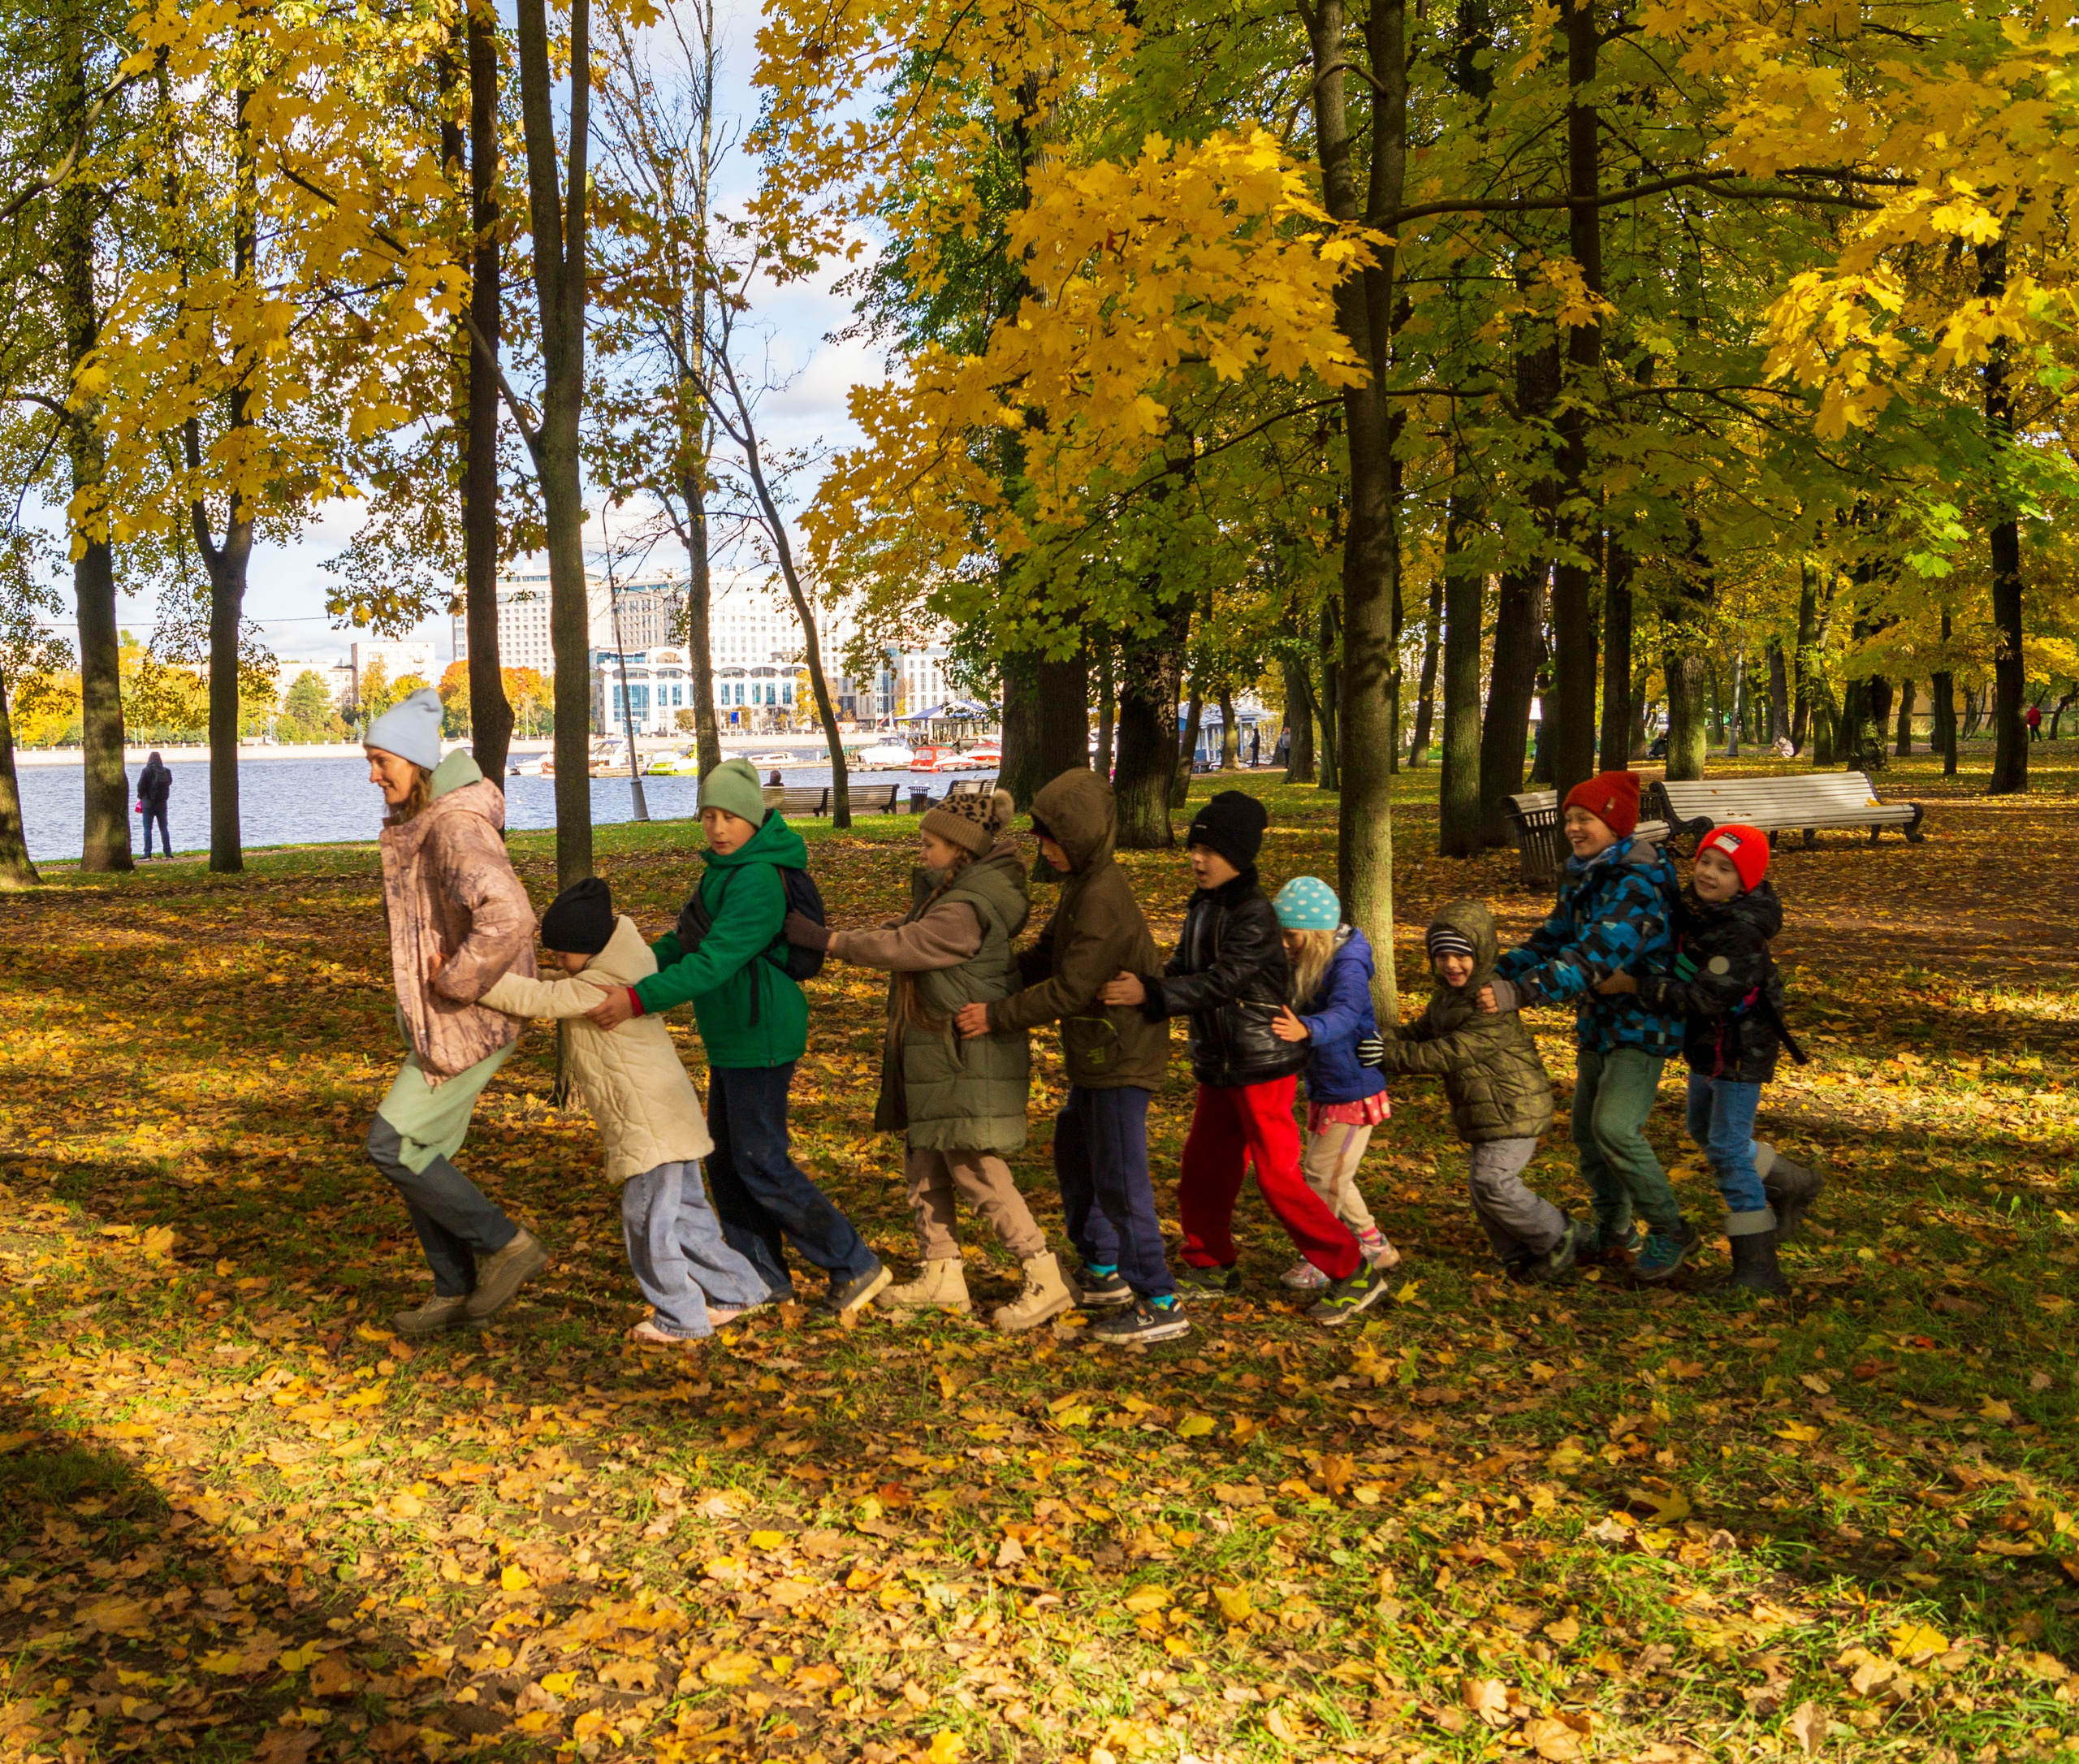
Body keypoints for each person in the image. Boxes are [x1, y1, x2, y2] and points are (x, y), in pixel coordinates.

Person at [583, 757, 890, 1317]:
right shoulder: (721, 871)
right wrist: (629, 967)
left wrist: (634, 999)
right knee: (728, 1161)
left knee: (761, 1160)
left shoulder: (756, 879)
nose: (717, 828)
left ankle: (852, 1262)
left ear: (753, 819)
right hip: (732, 1033)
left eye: (728, 817)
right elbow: (684, 942)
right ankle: (758, 1278)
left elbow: (717, 960)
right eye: (708, 817)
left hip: (761, 1033)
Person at [1101, 790, 1388, 1326]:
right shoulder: (1204, 905)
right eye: (1194, 847)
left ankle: (1352, 1271)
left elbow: (1223, 980)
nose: (1197, 858)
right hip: (1220, 1064)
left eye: (1209, 850)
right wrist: (1147, 982)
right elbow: (1186, 965)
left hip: (1260, 1066)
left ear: (1238, 855)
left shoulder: (1254, 914)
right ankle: (1210, 1262)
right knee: (1203, 1168)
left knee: (1278, 1175)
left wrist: (1153, 996)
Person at [792, 789, 1071, 1332]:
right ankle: (942, 1270)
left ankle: (1043, 1272)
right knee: (924, 1158)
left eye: (930, 845)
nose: (920, 852)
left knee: (975, 1169)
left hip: (964, 1056)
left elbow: (906, 946)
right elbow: (907, 930)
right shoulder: (954, 889)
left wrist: (827, 940)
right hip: (939, 1052)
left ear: (961, 852)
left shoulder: (967, 907)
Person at [472, 877, 772, 1344]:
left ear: (589, 949)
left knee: (648, 1222)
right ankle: (739, 1288)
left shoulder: (599, 987)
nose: (555, 963)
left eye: (561, 955)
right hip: (669, 1118)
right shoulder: (620, 968)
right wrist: (531, 969)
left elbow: (541, 998)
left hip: (648, 1128)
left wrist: (475, 979)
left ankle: (680, 1316)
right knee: (686, 1214)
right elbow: (555, 983)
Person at [953, 769, 1185, 1347]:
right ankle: (1103, 1272)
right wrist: (991, 975)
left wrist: (995, 1015)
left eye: (1051, 838)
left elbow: (1072, 987)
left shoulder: (1104, 895)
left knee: (1120, 1179)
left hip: (1122, 1057)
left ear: (1079, 836)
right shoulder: (1082, 884)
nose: (1042, 848)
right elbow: (1048, 955)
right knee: (1076, 1157)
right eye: (1038, 837)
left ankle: (1158, 1298)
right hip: (1097, 1054)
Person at [361, 687, 549, 1336]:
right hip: (446, 1018)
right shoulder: (426, 824)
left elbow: (509, 916)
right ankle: (452, 1291)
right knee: (419, 1159)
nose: (374, 773)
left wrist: (459, 979)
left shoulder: (454, 827)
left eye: (383, 760)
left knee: (390, 1145)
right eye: (371, 760)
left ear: (416, 763)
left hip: (473, 1018)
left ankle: (507, 1245)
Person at [1593, 824, 1816, 1294]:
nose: (1709, 874)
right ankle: (1791, 1182)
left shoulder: (1740, 932)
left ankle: (1759, 1271)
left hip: (1738, 1052)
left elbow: (1705, 999)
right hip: (1709, 1050)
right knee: (1703, 1131)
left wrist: (1633, 985)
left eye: (1725, 868)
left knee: (1729, 1150)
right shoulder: (1704, 911)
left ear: (1746, 881)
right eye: (1705, 862)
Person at [1493, 770, 1696, 1281]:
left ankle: (1671, 1230)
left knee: (1615, 1128)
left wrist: (1521, 991)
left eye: (1585, 819)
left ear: (1615, 823)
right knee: (1587, 1134)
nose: (1574, 829)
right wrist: (1500, 970)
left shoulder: (1637, 884)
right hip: (1599, 1024)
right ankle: (1615, 1230)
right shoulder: (1587, 873)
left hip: (1642, 1027)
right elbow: (1554, 936)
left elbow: (1595, 956)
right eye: (1569, 820)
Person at [1362, 903, 1578, 1282]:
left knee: (1492, 1181)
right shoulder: (1447, 996)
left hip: (1514, 1106)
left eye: (1461, 955)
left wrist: (1388, 1054)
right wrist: (1382, 1038)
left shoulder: (1489, 1000)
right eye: (1442, 955)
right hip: (1487, 1109)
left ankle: (1558, 1236)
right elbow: (1424, 1032)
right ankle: (1516, 1253)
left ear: (1480, 955)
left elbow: (1449, 1052)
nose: (1451, 964)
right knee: (1483, 1187)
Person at [1267, 876, 1399, 1288]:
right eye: (1280, 936)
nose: (1285, 944)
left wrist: (1306, 1029)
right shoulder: (1306, 960)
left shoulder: (1348, 964)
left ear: (1316, 933)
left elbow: (1345, 1012)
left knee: (1321, 1176)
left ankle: (1319, 1257)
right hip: (1328, 1084)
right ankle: (1373, 1245)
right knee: (1336, 1174)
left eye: (1291, 936)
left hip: (1352, 1088)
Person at [136, 751, 172, 859]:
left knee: (147, 829)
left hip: (148, 803)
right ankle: (167, 853)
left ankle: (147, 853)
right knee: (164, 828)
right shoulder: (166, 771)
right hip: (162, 803)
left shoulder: (146, 771)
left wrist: (141, 797)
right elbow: (170, 782)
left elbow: (140, 786)